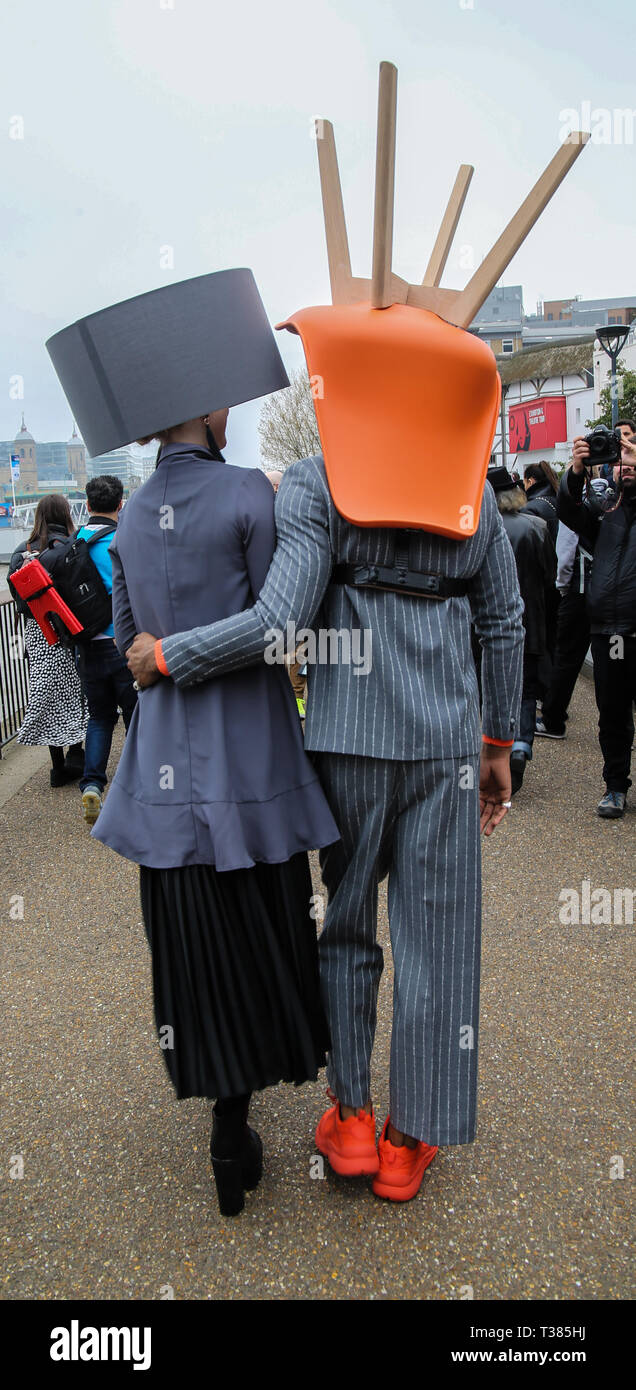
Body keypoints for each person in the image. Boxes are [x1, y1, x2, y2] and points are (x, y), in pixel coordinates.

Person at [126, 445, 524, 1203]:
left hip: (345, 736)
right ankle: (409, 1139)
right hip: (444, 741)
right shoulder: (464, 475)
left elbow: (281, 621)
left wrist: (171, 654)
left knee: (344, 925)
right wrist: (498, 743)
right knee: (438, 937)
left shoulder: (319, 477)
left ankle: (350, 1116)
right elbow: (503, 618)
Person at [555, 432, 636, 818]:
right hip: (610, 632)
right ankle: (615, 786)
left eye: (634, 458)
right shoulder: (606, 510)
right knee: (613, 712)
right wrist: (575, 470)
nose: (627, 465)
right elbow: (569, 513)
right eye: (622, 460)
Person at [7, 494, 87, 786]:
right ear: (65, 514)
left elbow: (20, 600)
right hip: (69, 627)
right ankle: (77, 752)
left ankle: (57, 766)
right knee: (75, 688)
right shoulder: (72, 544)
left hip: (38, 632)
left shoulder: (20, 552)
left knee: (47, 694)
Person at [72, 475, 138, 826]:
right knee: (135, 717)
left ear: (87, 504)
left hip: (86, 647)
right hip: (121, 642)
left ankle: (93, 785)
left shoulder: (73, 544)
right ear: (120, 503)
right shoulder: (122, 540)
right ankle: (139, 787)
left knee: (98, 717)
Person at [488, 467, 556, 794]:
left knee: (491, 684)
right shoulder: (537, 527)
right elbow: (550, 577)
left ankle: (493, 746)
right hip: (531, 619)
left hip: (490, 623)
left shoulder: (482, 531)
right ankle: (521, 744)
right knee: (526, 688)